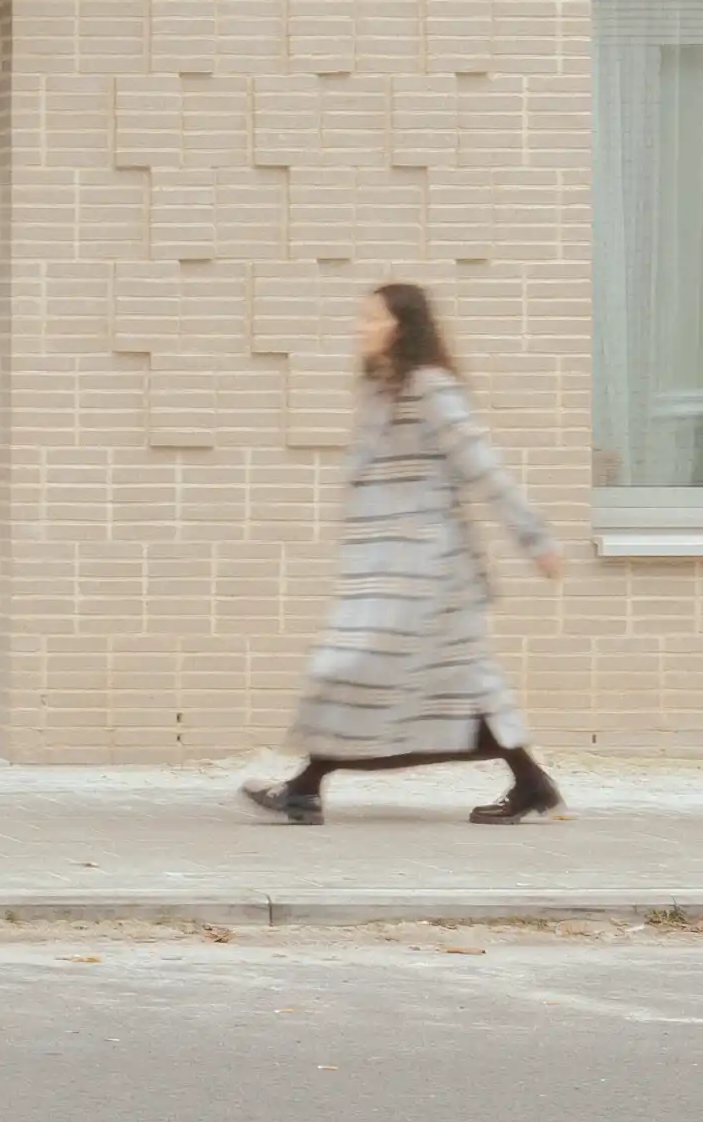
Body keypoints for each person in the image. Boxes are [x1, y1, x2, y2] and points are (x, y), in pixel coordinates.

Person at [238, 278, 566, 824]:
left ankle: (304, 787)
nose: (359, 328)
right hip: (387, 569)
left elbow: (482, 466)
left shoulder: (430, 388)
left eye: (371, 319)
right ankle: (531, 782)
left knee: (348, 667)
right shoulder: (380, 390)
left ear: (402, 328)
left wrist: (534, 538)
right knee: (454, 683)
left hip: (428, 570)